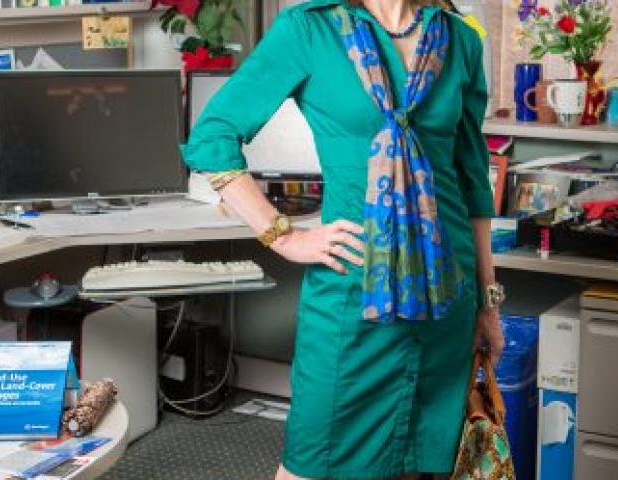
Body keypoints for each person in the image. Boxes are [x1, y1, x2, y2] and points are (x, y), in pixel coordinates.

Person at [182, 0, 505, 478]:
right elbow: (213, 137)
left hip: (446, 297)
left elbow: (472, 178)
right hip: (352, 293)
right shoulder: (309, 30)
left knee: (419, 465)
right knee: (310, 462)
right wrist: (283, 235)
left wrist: (487, 301)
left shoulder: (461, 39)